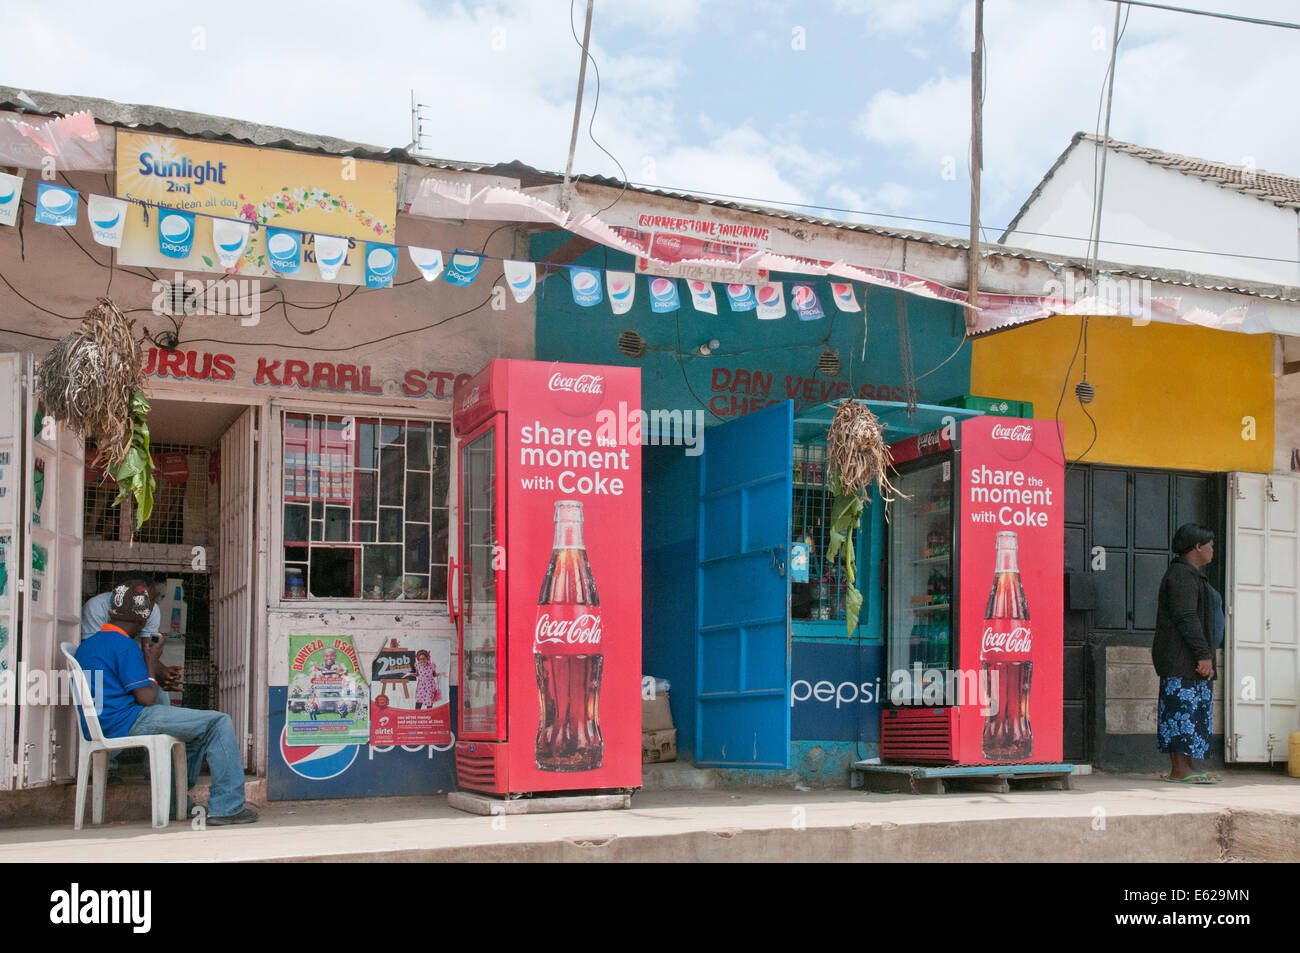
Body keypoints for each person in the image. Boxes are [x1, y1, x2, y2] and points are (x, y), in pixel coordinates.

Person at [75, 579, 258, 825]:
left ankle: (175, 803)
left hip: (101, 723)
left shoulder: (89, 644)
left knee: (195, 734)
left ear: (111, 610)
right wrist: (151, 660)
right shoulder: (124, 646)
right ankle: (227, 807)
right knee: (219, 722)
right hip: (128, 720)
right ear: (141, 621)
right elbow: (147, 698)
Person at [81, 577, 182, 783]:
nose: (150, 605)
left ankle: (154, 769)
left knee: (161, 697)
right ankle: (107, 767)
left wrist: (157, 671)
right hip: (103, 678)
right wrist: (150, 674)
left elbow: (145, 652)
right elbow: (99, 653)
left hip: (128, 671)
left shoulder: (150, 611)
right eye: (146, 599)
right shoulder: (97, 607)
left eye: (152, 600)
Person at [1152, 523, 1220, 784]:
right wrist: (1203, 655)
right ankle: (1179, 770)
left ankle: (1188, 767)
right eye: (1210, 544)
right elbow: (1186, 617)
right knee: (1180, 713)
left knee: (1192, 713)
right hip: (1181, 659)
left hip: (1190, 658)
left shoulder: (1191, 575)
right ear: (1196, 547)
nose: (1213, 549)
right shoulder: (1180, 576)